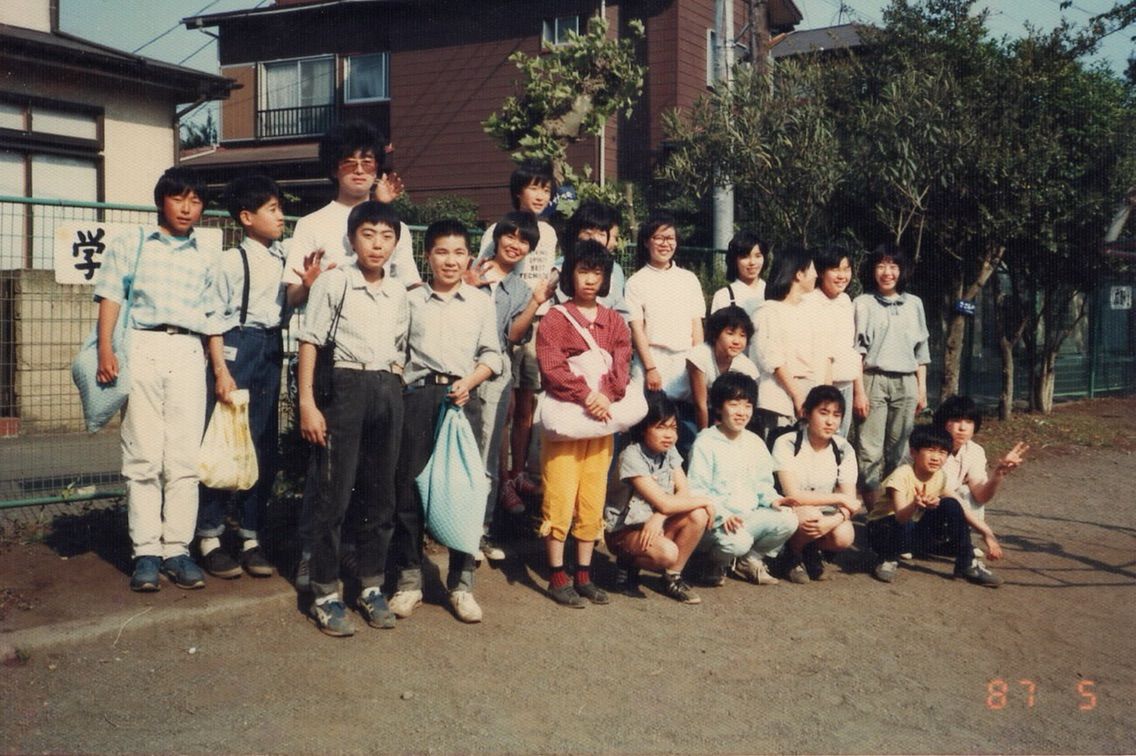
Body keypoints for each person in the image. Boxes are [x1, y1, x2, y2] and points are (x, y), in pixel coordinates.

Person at [92, 167, 222, 592]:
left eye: (196, 201)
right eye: (179, 198)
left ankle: (177, 551)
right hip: (142, 346)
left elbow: (213, 318)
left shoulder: (206, 254)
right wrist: (107, 349)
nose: (187, 208)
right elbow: (111, 295)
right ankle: (145, 552)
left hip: (189, 352)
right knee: (143, 455)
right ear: (161, 201)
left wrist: (219, 368)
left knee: (184, 459)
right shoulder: (132, 244)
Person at [295, 201, 409, 637]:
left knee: (381, 496)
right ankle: (325, 593)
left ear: (396, 243)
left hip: (387, 390)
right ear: (352, 238)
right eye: (368, 234)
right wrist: (308, 402)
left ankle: (371, 585)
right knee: (334, 495)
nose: (377, 245)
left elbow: (400, 345)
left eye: (386, 237)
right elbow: (310, 340)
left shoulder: (398, 291)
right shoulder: (334, 283)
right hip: (344, 388)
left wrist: (394, 386)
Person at [391, 219, 502, 624]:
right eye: (442, 252)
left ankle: (461, 584)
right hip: (418, 398)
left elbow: (494, 355)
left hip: (462, 402)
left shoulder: (480, 302)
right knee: (408, 488)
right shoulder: (411, 300)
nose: (450, 261)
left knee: (463, 491)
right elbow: (397, 351)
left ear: (469, 257)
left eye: (458, 252)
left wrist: (469, 381)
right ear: (427, 256)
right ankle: (409, 582)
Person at [196, 175, 295, 580]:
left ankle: (252, 537)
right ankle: (209, 536)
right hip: (238, 348)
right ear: (246, 217)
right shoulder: (229, 261)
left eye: (280, 208)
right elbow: (213, 320)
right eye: (273, 209)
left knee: (261, 444)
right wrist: (220, 370)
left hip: (272, 348)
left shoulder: (284, 258)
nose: (281, 217)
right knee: (223, 438)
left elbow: (292, 302)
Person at [536, 240, 632, 608]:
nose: (590, 279)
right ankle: (557, 576)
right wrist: (585, 394)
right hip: (568, 419)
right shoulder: (556, 318)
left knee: (592, 495)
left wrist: (607, 392)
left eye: (597, 272)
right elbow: (551, 364)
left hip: (602, 420)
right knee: (560, 494)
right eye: (582, 270)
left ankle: (584, 574)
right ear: (570, 273)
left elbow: (622, 361)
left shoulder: (614, 320)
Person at [473, 160, 559, 510]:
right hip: (504, 325)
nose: (539, 195)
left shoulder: (550, 234)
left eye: (546, 190)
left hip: (537, 325)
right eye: (533, 187)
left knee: (527, 403)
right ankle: (502, 478)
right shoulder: (498, 228)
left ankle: (519, 473)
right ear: (518, 191)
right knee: (502, 408)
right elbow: (479, 274)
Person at [283, 120, 420, 309]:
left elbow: (411, 285)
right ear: (334, 169)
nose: (359, 170)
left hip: (381, 328)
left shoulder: (396, 228)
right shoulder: (310, 224)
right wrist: (309, 286)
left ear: (377, 170)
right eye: (349, 163)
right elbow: (292, 297)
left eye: (367, 163)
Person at [687, 372, 798, 587]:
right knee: (738, 542)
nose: (741, 412)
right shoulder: (706, 442)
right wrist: (723, 514)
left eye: (747, 406)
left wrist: (774, 500)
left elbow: (763, 486)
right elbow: (697, 491)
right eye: (735, 404)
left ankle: (749, 561)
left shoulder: (755, 442)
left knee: (788, 518)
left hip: (748, 519)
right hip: (717, 524)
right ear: (719, 407)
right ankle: (712, 562)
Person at [604, 391, 713, 604]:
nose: (669, 435)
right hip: (625, 530)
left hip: (653, 522)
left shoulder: (669, 451)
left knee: (698, 516)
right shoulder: (632, 455)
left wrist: (660, 517)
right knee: (668, 553)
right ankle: (626, 563)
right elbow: (664, 501)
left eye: (673, 428)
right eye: (660, 427)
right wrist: (707, 500)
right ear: (644, 428)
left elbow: (683, 492)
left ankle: (672, 577)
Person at [866, 425, 1003, 587]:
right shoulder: (902, 475)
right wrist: (915, 504)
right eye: (930, 450)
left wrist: (987, 534)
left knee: (951, 504)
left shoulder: (939, 477)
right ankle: (887, 559)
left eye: (942, 452)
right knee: (903, 522)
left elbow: (962, 509)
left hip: (910, 531)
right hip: (882, 532)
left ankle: (967, 564)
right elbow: (901, 517)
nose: (936, 457)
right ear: (914, 452)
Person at [852, 243, 931, 508]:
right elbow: (857, 352)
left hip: (907, 382)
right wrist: (858, 391)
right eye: (881, 266)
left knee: (899, 452)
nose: (887, 272)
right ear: (873, 270)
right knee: (869, 451)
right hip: (872, 381)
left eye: (893, 266)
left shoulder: (915, 304)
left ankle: (895, 515)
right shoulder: (862, 303)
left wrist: (921, 389)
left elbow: (922, 351)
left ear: (902, 270)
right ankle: (876, 517)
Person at [625, 213, 706, 459]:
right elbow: (636, 328)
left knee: (684, 429)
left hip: (685, 362)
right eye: (657, 237)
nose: (664, 243)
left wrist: (699, 363)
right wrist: (650, 368)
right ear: (646, 242)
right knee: (649, 426)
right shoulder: (636, 281)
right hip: (652, 360)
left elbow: (696, 325)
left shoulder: (688, 279)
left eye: (669, 238)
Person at [770, 385, 860, 583]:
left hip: (824, 514)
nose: (830, 421)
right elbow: (793, 495)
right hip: (790, 510)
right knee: (811, 515)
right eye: (823, 413)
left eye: (836, 415)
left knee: (844, 535)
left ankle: (811, 551)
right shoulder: (788, 442)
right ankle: (791, 554)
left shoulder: (844, 449)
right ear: (807, 413)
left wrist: (834, 520)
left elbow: (850, 501)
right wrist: (839, 498)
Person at [933, 395, 1029, 559]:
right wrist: (987, 533)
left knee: (967, 492)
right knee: (956, 497)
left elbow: (981, 496)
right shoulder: (933, 449)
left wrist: (999, 474)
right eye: (956, 420)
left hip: (948, 507)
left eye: (969, 422)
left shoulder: (975, 450)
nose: (962, 428)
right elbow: (948, 495)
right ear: (944, 422)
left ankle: (953, 542)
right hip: (920, 511)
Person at [753, 245, 828, 441]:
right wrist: (797, 395)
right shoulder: (768, 311)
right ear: (798, 274)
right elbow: (773, 360)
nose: (816, 275)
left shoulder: (810, 311)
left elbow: (822, 357)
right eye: (811, 269)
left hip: (810, 394)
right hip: (779, 398)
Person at [811, 244, 862, 439]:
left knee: (839, 442)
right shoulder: (811, 302)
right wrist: (828, 393)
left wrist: (859, 391)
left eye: (846, 269)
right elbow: (823, 353)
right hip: (824, 387)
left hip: (846, 384)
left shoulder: (846, 301)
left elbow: (851, 349)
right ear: (821, 272)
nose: (842, 276)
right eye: (835, 269)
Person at [686, 305, 758, 430]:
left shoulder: (747, 368)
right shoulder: (699, 356)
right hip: (687, 408)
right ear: (715, 335)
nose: (737, 341)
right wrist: (703, 437)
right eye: (730, 333)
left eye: (742, 335)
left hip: (720, 413)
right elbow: (700, 405)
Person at [709, 230, 766, 363]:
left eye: (758, 255)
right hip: (735, 369)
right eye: (745, 256)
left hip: (767, 370)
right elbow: (715, 341)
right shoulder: (724, 296)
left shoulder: (772, 293)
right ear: (734, 260)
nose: (752, 262)